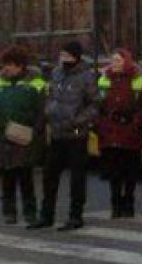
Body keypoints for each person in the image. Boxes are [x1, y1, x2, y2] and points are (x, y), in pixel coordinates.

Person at [29, 41, 97, 232]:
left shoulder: (87, 76)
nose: (63, 59)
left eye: (66, 55)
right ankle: (46, 216)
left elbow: (94, 105)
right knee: (49, 176)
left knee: (77, 178)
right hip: (57, 132)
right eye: (61, 55)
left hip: (76, 133)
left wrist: (77, 121)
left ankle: (76, 216)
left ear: (75, 57)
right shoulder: (56, 73)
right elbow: (50, 96)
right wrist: (48, 111)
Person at [0, 46, 46, 226]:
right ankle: (9, 212)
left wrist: (35, 131)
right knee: (8, 177)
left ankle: (30, 212)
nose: (5, 68)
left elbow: (41, 111)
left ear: (20, 66)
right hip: (3, 136)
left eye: (9, 65)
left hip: (24, 135)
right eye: (4, 64)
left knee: (25, 176)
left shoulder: (35, 84)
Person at [96, 48, 142, 219]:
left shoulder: (138, 80)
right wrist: (100, 126)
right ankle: (115, 204)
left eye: (119, 60)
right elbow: (96, 105)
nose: (115, 64)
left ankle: (128, 202)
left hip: (131, 133)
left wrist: (136, 123)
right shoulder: (104, 79)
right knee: (114, 172)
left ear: (127, 61)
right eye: (113, 60)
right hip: (110, 133)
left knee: (130, 171)